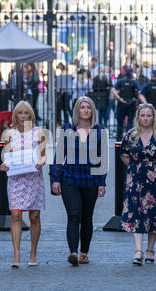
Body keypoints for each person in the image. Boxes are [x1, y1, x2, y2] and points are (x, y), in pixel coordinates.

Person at [51, 96, 107, 266]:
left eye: (88, 107)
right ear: (77, 110)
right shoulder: (68, 129)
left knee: (87, 217)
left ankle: (84, 253)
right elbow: (59, 155)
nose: (86, 110)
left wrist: (102, 182)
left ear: (92, 111)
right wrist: (55, 179)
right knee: (74, 214)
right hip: (70, 178)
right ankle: (73, 252)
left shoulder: (99, 131)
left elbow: (102, 159)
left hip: (91, 179)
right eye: (82, 107)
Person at [118, 104, 156, 266]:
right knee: (135, 212)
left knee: (154, 213)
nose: (146, 118)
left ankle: (150, 249)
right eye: (143, 115)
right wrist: (135, 167)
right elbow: (123, 154)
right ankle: (138, 250)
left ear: (153, 117)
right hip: (135, 179)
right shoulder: (130, 136)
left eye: (149, 115)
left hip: (155, 181)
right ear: (138, 117)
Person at [0, 101, 46, 268]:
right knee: (16, 215)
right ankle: (16, 254)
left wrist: (41, 162)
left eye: (27, 113)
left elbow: (43, 155)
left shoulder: (38, 132)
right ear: (15, 115)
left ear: (31, 115)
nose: (23, 116)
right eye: (20, 113)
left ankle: (33, 252)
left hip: (33, 178)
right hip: (16, 179)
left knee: (34, 216)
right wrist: (3, 164)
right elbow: (6, 156)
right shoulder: (9, 134)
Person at [111, 68, 141, 141]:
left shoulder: (121, 81)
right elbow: (139, 91)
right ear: (132, 73)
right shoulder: (134, 81)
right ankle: (129, 139)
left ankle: (118, 140)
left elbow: (113, 89)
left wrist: (119, 98)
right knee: (130, 122)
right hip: (131, 102)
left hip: (122, 102)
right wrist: (136, 99)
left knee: (120, 122)